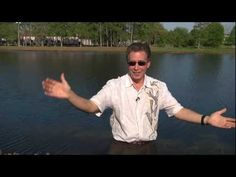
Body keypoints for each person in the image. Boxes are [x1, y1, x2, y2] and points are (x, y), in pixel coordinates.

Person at [42, 42, 236, 155]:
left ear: (148, 63)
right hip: (119, 148)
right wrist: (70, 95)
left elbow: (178, 111)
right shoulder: (114, 86)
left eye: (141, 62)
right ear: (128, 63)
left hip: (149, 148)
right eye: (132, 62)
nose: (136, 66)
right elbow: (91, 106)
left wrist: (207, 119)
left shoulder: (158, 87)